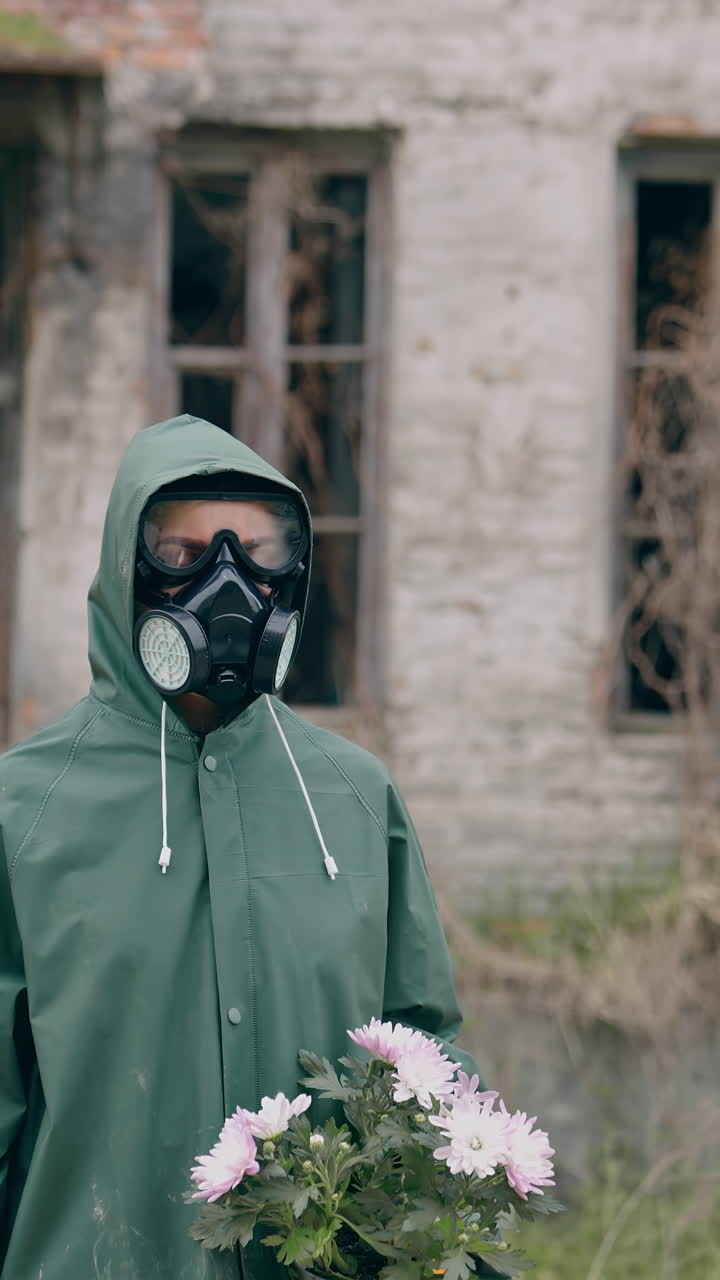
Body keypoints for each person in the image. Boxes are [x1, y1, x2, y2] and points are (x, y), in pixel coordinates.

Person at [0, 414, 485, 1279]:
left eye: (260, 554)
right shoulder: (22, 810)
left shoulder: (354, 798)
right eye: (183, 555)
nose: (229, 585)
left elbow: (423, 1060)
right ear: (126, 570)